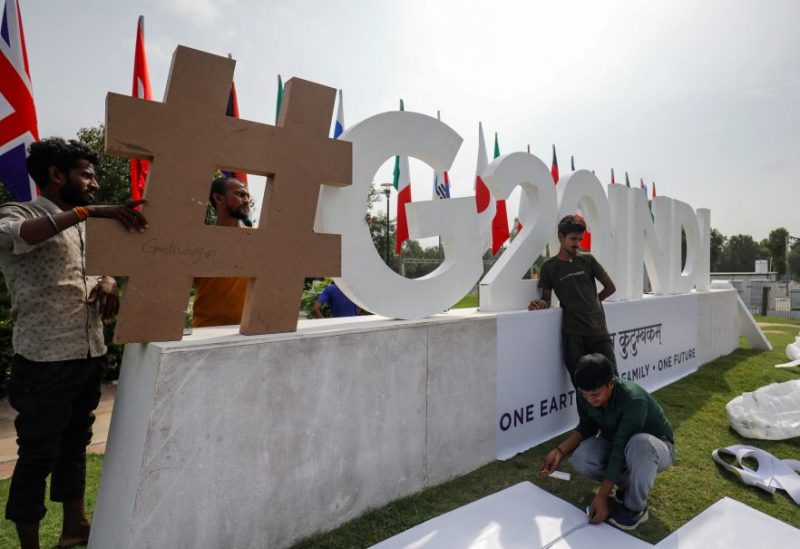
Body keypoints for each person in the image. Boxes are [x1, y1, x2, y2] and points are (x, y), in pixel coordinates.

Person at [0, 137, 148, 549]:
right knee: (37, 456)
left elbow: (90, 271)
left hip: (89, 352)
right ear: (56, 174)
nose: (95, 184)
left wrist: (107, 280)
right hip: (44, 361)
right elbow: (12, 236)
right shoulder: (21, 212)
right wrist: (87, 212)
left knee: (75, 445)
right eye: (87, 175)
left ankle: (74, 528)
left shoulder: (83, 226)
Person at [538, 354, 676, 530]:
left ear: (611, 383)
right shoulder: (585, 393)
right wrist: (559, 451)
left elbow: (619, 449)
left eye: (595, 394)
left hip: (656, 448)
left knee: (640, 443)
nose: (589, 400)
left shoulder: (634, 400)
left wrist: (602, 496)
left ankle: (635, 509)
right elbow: (587, 426)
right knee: (582, 457)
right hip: (621, 445)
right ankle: (627, 487)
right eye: (584, 394)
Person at [529, 215, 617, 383]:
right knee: (582, 385)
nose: (577, 243)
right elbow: (546, 299)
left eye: (580, 239)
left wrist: (593, 301)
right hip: (573, 336)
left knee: (612, 381)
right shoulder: (549, 267)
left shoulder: (588, 259)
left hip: (599, 332)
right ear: (561, 237)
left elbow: (610, 287)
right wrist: (540, 304)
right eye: (573, 238)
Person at [191, 176, 251, 327]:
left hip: (247, 332)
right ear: (218, 198)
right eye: (240, 194)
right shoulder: (199, 240)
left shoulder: (257, 241)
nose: (246, 200)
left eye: (247, 196)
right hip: (206, 330)